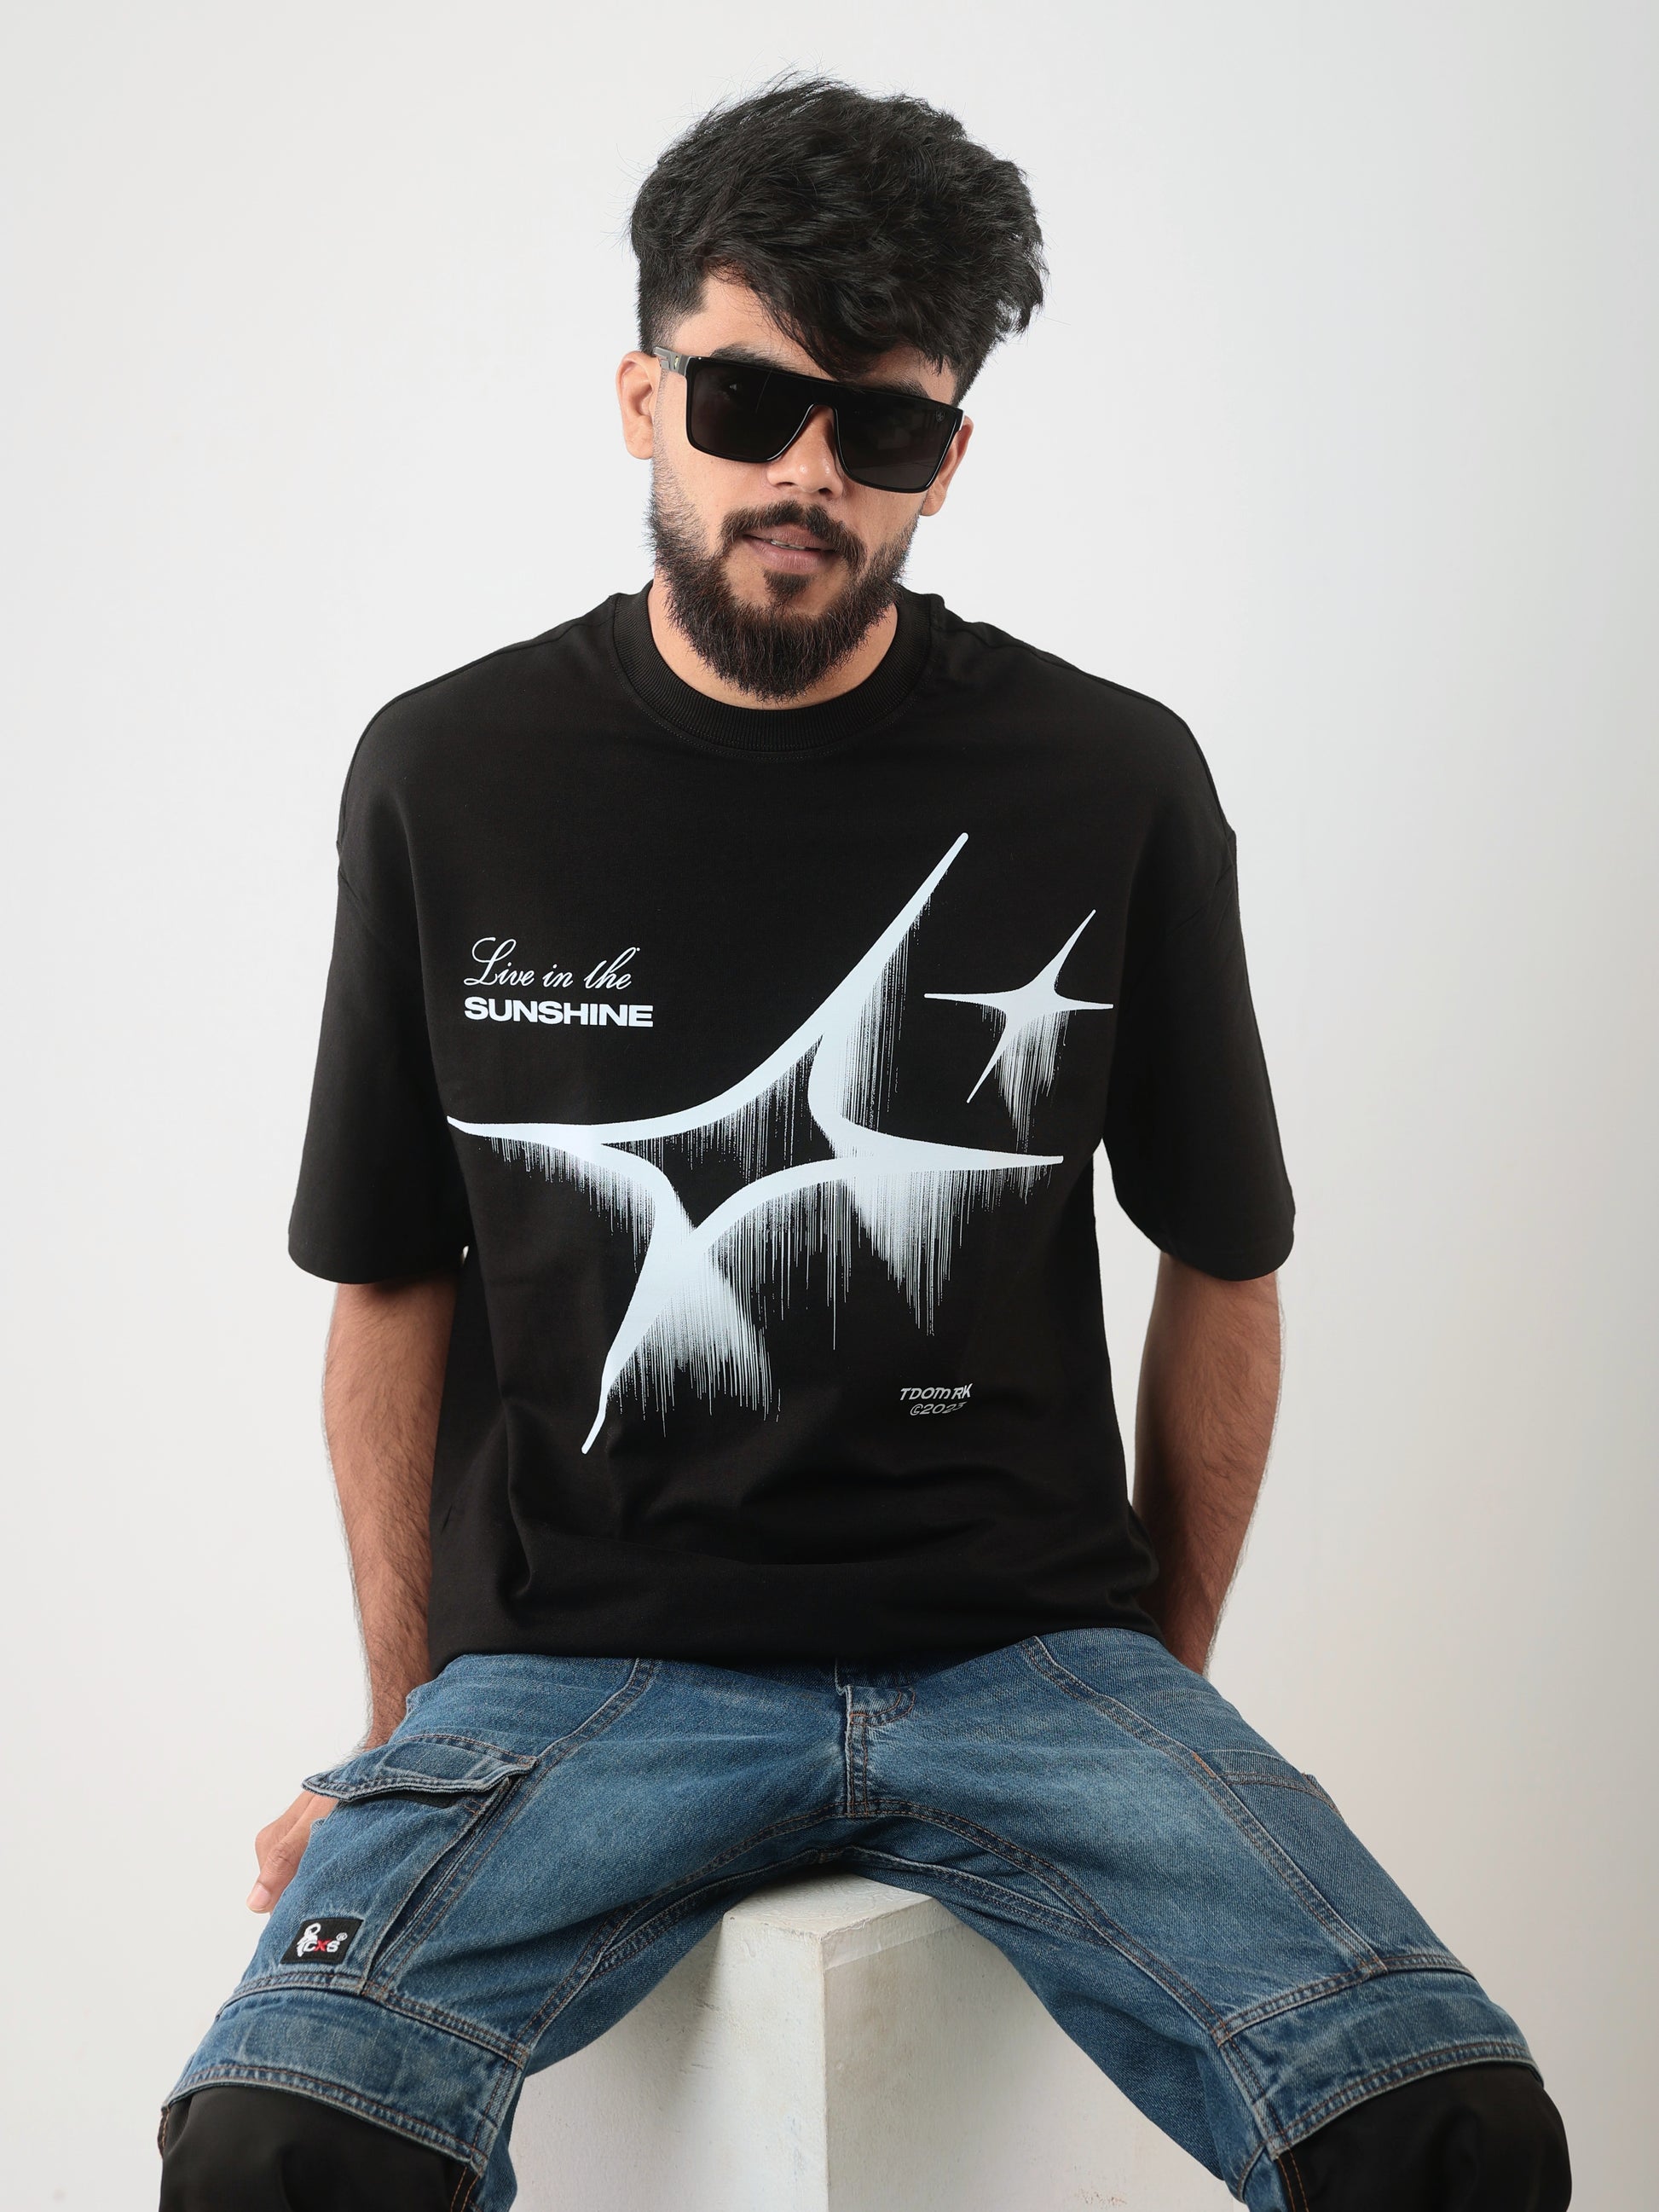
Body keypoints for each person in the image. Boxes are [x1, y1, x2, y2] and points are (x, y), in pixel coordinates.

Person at [156, 78, 1571, 2212]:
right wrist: (402, 1736)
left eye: (882, 426)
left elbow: (1226, 1259)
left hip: (1024, 1661)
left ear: (948, 458)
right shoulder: (450, 772)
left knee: (1455, 2136)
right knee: (273, 2147)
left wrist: (1156, 1695)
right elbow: (387, 1279)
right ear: (642, 396)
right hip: (584, 1673)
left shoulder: (1108, 778)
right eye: (747, 400)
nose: (806, 471)